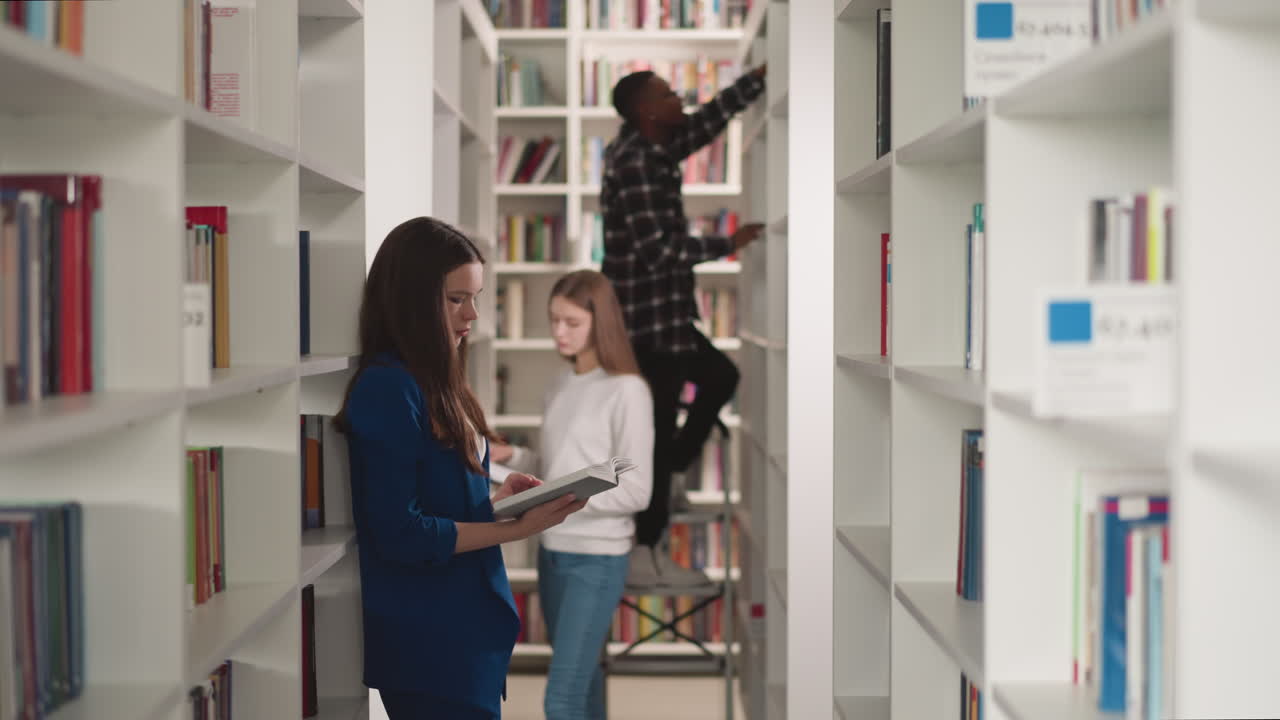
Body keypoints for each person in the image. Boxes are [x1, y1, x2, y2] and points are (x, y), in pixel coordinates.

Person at [334, 217, 587, 720]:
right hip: (430, 640)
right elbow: (401, 533)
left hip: (466, 630)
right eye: (456, 299)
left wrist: (497, 506)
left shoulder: (437, 379)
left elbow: (438, 504)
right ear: (411, 300)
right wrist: (515, 529)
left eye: (475, 297)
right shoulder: (387, 389)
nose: (472, 314)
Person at [600, 64, 768, 586]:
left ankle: (671, 470)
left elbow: (704, 124)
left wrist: (753, 81)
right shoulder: (634, 163)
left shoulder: (654, 148)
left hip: (667, 316)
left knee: (720, 378)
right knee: (653, 434)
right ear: (646, 110)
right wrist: (728, 243)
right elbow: (657, 251)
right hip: (647, 324)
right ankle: (644, 550)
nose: (680, 99)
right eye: (669, 94)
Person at [491, 270, 654, 720]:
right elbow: (556, 465)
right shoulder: (559, 385)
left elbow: (637, 490)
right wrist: (512, 456)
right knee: (584, 686)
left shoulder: (627, 391)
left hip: (597, 560)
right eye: (554, 320)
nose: (559, 332)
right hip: (552, 553)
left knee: (560, 700)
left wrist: (559, 499)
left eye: (572, 322)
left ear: (601, 322)